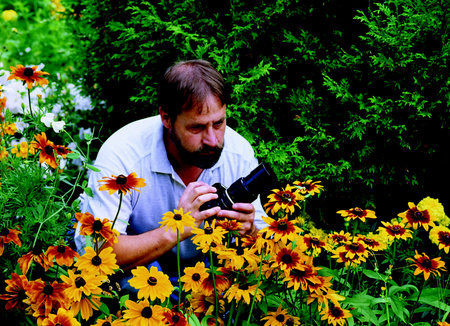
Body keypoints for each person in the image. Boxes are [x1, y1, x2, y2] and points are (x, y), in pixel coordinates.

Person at [75, 59, 267, 281]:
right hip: (140, 277)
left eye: (218, 123)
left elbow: (267, 244)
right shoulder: (123, 154)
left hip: (209, 279)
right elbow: (96, 252)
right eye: (196, 127)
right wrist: (175, 229)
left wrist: (250, 230)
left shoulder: (238, 152)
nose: (213, 140)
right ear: (166, 118)